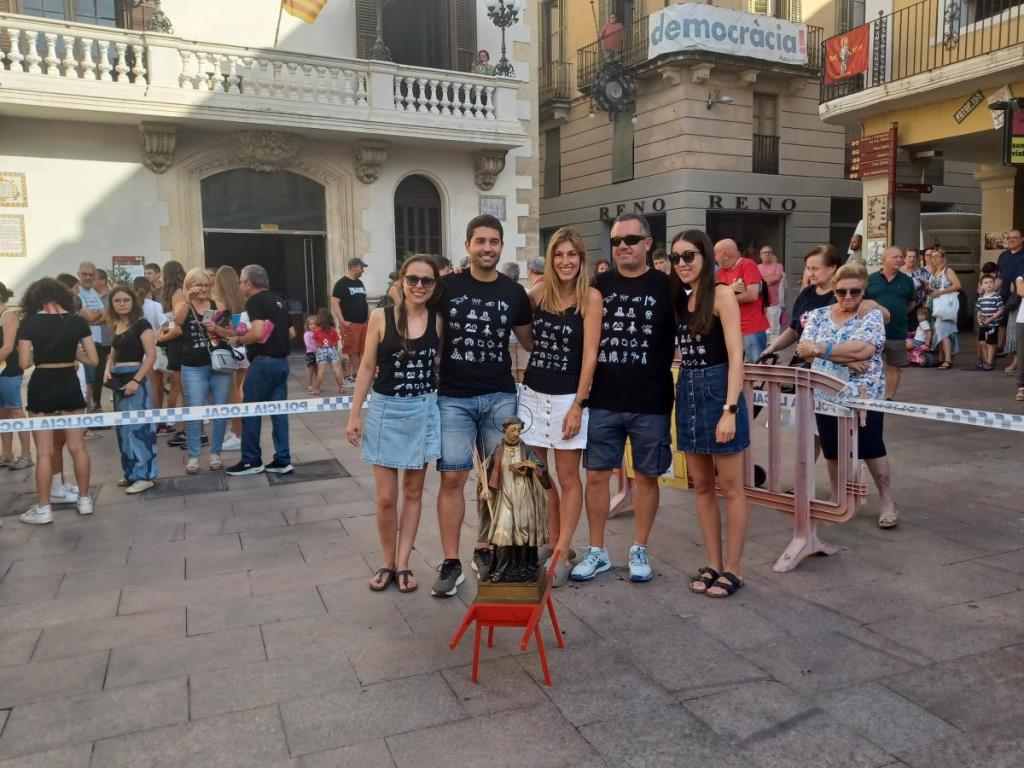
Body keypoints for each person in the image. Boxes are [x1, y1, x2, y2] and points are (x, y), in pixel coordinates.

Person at [431, 214, 533, 597]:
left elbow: (529, 343)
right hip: (453, 397)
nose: (487, 248)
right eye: (480, 241)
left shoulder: (514, 292)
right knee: (452, 477)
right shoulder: (446, 286)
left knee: (494, 479)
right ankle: (450, 560)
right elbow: (417, 314)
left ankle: (484, 548)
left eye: (494, 242)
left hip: (499, 395)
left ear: (501, 246)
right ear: (468, 245)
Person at [572, 213, 675, 584]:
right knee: (596, 476)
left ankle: (639, 548)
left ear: (648, 243)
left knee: (647, 478)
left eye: (631, 239)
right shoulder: (599, 283)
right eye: (616, 241)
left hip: (652, 401)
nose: (623, 247)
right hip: (604, 400)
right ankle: (597, 550)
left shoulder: (667, 286)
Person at [346, 255, 444, 594]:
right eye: (413, 279)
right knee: (386, 497)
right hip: (386, 411)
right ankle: (387, 560)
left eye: (427, 281)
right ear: (402, 280)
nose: (419, 286)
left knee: (413, 492)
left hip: (422, 410)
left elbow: (442, 367)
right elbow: (367, 367)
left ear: (434, 286)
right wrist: (355, 413)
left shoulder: (438, 320)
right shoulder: (379, 317)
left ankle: (403, 563)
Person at [518, 227, 601, 586]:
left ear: (580, 259)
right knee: (540, 476)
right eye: (558, 255)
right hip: (535, 395)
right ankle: (553, 541)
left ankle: (562, 548)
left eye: (572, 255)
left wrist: (579, 404)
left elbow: (590, 354)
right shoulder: (539, 293)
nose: (565, 261)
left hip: (569, 397)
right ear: (551, 260)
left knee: (568, 478)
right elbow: (523, 333)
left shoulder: (591, 298)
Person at [670, 230, 750, 598]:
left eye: (689, 255)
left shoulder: (720, 295)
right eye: (676, 258)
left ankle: (733, 568)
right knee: (701, 486)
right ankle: (713, 563)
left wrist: (730, 410)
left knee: (731, 487)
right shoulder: (679, 299)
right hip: (687, 389)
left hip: (719, 389)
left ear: (704, 256)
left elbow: (737, 356)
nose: (682, 263)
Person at [796, 263, 897, 528]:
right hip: (825, 394)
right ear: (834, 291)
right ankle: (839, 498)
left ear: (864, 291)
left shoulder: (871, 315)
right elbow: (803, 349)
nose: (848, 297)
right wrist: (843, 358)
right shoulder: (818, 315)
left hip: (864, 394)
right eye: (842, 292)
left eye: (855, 291)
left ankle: (887, 501)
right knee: (832, 449)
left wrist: (823, 351)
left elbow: (862, 350)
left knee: (871, 447)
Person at [17, 278, 98, 524]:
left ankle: (44, 508)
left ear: (35, 298)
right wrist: (70, 350)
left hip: (42, 382)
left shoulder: (29, 323)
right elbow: (93, 360)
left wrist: (42, 352)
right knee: (78, 447)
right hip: (69, 381)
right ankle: (84, 500)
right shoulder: (77, 322)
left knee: (44, 452)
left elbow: (24, 364)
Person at [226, 265, 293, 476]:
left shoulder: (255, 301)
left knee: (251, 410)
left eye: (240, 281)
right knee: (279, 413)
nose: (239, 286)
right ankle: (283, 459)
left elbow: (256, 333)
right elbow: (291, 332)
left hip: (263, 363)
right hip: (282, 363)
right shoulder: (279, 300)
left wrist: (238, 339)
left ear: (249, 283)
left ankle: (251, 460)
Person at [168, 268, 233, 474]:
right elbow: (176, 323)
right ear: (189, 286)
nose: (203, 289)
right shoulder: (183, 305)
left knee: (219, 411)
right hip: (193, 365)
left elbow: (231, 332)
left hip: (219, 364)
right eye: (198, 284)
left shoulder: (218, 305)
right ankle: (194, 456)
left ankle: (215, 453)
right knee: (194, 411)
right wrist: (188, 299)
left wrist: (216, 328)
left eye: (206, 284)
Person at [104, 285, 158, 494]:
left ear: (133, 302)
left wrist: (136, 380)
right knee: (123, 429)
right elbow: (113, 352)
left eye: (125, 300)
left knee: (139, 428)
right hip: (118, 379)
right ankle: (131, 472)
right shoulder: (116, 324)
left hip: (136, 378)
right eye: (117, 301)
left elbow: (151, 356)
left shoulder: (142, 324)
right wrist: (107, 369)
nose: (121, 304)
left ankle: (145, 474)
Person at [866, 246, 915, 399]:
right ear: (884, 259)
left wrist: (898, 314)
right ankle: (873, 393)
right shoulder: (870, 279)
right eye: (895, 257)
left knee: (894, 366)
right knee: (873, 365)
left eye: (901, 257)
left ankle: (889, 398)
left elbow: (911, 303)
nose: (899, 260)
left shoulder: (907, 281)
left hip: (897, 331)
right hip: (873, 332)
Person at [714, 238, 770, 362]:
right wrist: (730, 290)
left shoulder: (747, 265)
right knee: (737, 367)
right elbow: (715, 298)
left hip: (751, 327)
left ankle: (769, 383)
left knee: (758, 368)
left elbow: (752, 294)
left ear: (725, 254)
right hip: (731, 328)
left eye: (716, 254)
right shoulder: (720, 273)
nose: (714, 258)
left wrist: (727, 294)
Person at [211, 265, 248, 450]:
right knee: (239, 392)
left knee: (234, 395)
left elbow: (217, 328)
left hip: (228, 349)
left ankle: (238, 435)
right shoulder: (242, 298)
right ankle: (237, 432)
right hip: (244, 348)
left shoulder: (218, 300)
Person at [0, 282, 33, 471]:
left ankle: (26, 454)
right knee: (2, 412)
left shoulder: (8, 316)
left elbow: (7, 347)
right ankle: (6, 454)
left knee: (14, 410)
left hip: (9, 370)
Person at [155, 261, 186, 441]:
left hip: (177, 344)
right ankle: (181, 424)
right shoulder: (177, 294)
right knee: (178, 386)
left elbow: (178, 326)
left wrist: (160, 336)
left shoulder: (176, 295)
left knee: (181, 387)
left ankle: (187, 427)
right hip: (175, 344)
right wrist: (161, 331)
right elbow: (172, 322)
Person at [76, 261, 109, 413]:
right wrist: (96, 317)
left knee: (95, 380)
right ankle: (87, 417)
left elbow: (107, 316)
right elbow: (88, 317)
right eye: (84, 274)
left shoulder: (93, 293)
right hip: (83, 344)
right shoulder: (77, 293)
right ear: (79, 274)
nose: (88, 277)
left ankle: (93, 411)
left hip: (98, 342)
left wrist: (92, 318)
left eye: (91, 274)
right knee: (86, 382)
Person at [331, 258, 369, 387]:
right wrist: (341, 320)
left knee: (360, 350)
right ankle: (347, 377)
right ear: (353, 267)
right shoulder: (341, 284)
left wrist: (368, 318)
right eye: (361, 267)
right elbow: (335, 302)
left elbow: (364, 302)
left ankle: (356, 375)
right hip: (350, 323)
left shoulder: (359, 283)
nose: (363, 270)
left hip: (362, 323)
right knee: (350, 350)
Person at [926, 248, 961, 370]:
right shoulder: (933, 272)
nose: (934, 259)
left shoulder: (948, 270)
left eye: (937, 256)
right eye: (932, 256)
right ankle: (941, 358)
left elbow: (957, 285)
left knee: (944, 332)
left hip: (944, 306)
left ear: (943, 258)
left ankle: (948, 360)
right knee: (938, 331)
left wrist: (940, 292)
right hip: (935, 305)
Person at [998, 230, 1024, 372]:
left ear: (1022, 239)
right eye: (1009, 237)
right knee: (1009, 330)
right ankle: (1012, 358)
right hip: (1005, 297)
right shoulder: (1003, 256)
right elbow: (1000, 277)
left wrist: (1018, 285)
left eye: (1015, 237)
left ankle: (1016, 363)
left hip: (1018, 299)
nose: (1011, 240)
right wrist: (987, 292)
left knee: (1016, 331)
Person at [500, 262, 529, 384]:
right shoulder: (526, 291)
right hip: (523, 339)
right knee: (522, 369)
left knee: (511, 370)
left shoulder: (501, 292)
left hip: (508, 339)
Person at [312, 308, 345, 394]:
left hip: (321, 350)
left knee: (321, 371)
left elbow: (315, 341)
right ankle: (341, 388)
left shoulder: (317, 330)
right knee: (336, 369)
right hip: (331, 349)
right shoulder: (332, 330)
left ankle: (316, 389)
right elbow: (336, 342)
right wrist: (333, 350)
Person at [975, 274, 1004, 371]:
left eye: (991, 282)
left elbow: (1001, 309)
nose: (989, 285)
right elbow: (979, 310)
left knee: (990, 344)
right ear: (981, 286)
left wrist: (991, 318)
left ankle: (990, 362)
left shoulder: (996, 297)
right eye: (986, 283)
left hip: (992, 325)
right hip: (983, 325)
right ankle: (985, 360)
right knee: (982, 343)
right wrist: (979, 319)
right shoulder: (981, 298)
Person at [901, 247, 931, 334]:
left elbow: (929, 290)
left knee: (917, 334)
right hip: (902, 307)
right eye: (909, 257)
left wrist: (927, 288)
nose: (912, 259)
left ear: (917, 258)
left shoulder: (923, 273)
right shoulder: (899, 273)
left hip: (918, 309)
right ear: (904, 258)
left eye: (914, 257)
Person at [758, 246, 785, 337]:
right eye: (765, 252)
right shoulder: (756, 267)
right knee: (761, 328)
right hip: (760, 302)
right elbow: (756, 281)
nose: (767, 254)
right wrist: (768, 281)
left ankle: (773, 349)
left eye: (769, 252)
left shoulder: (778, 266)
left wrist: (762, 281)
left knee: (773, 328)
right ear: (761, 255)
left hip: (774, 302)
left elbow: (776, 279)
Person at [303, 315, 318, 394]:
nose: (312, 326)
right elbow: (307, 344)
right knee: (310, 371)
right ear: (308, 325)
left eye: (314, 324)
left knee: (318, 371)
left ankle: (318, 385)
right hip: (310, 354)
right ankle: (310, 385)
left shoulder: (318, 333)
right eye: (311, 324)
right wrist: (316, 349)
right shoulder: (307, 334)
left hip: (318, 353)